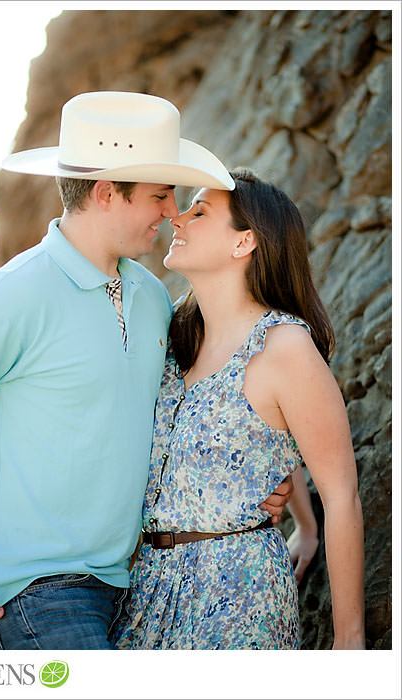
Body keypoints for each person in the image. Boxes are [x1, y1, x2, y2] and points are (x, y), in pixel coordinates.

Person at [0, 92, 290, 650]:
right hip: (33, 591)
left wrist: (257, 484)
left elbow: (208, 403)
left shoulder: (151, 298)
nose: (172, 212)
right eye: (161, 196)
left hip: (131, 584)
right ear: (106, 193)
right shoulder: (10, 296)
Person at [111, 169, 365, 649]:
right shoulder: (170, 336)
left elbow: (342, 495)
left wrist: (348, 643)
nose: (177, 218)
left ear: (243, 242)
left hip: (238, 593)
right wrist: (299, 515)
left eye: (199, 211)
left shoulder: (284, 346)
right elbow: (248, 444)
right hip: (144, 593)